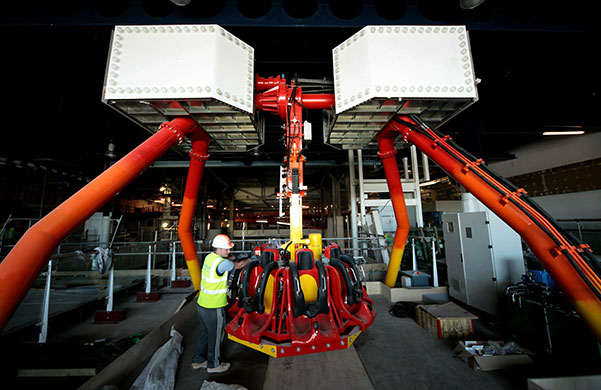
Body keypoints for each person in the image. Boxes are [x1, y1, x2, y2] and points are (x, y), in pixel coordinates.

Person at [191, 234, 249, 373]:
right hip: (213, 306)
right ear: (218, 248)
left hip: (202, 304)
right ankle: (214, 364)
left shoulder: (210, 258)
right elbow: (238, 265)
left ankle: (198, 360)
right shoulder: (223, 263)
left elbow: (228, 259)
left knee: (205, 332)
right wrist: (250, 258)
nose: (228, 251)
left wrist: (234, 256)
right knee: (216, 335)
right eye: (226, 249)